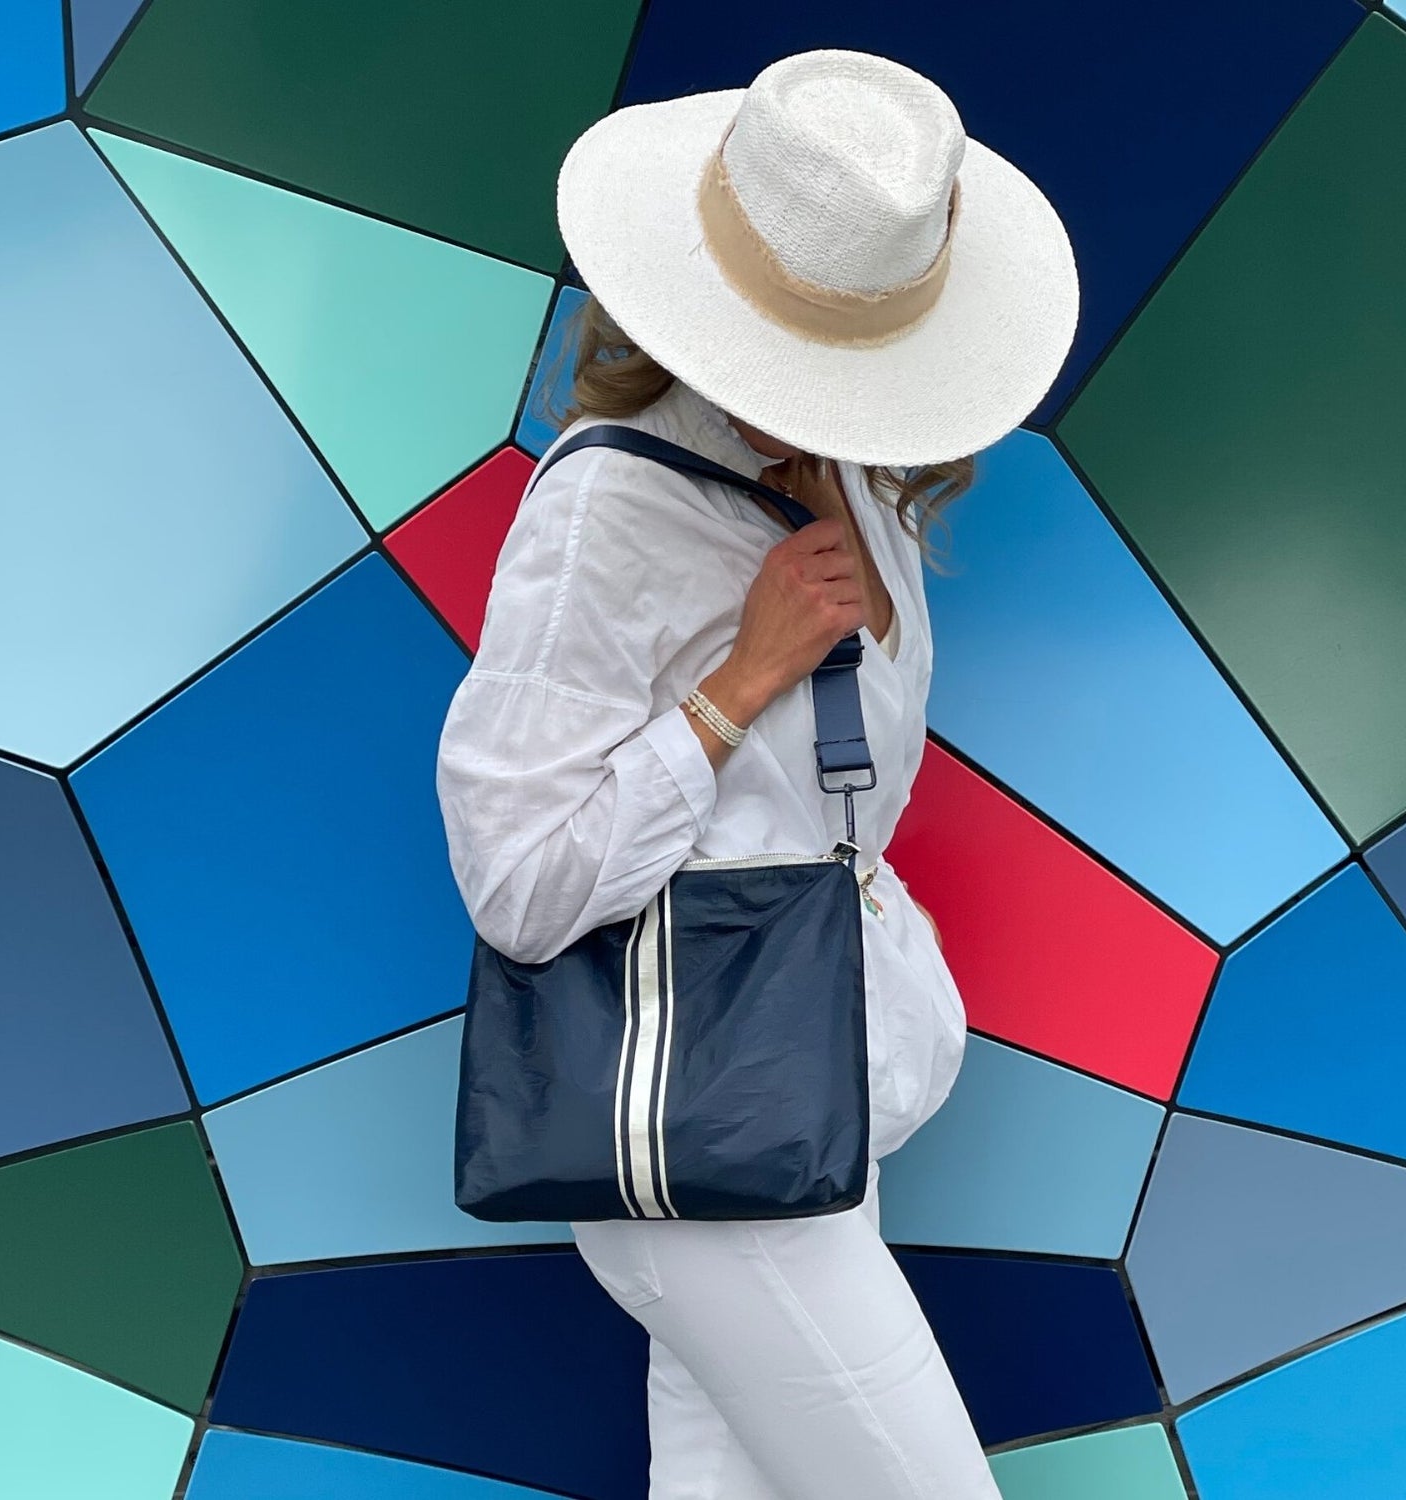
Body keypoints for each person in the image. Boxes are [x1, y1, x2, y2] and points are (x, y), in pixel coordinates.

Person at [436, 47, 1079, 1500]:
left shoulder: (858, 473)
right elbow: (519, 884)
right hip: (708, 1153)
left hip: (798, 1114)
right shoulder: (609, 504)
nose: (806, 394)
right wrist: (739, 684)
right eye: (788, 349)